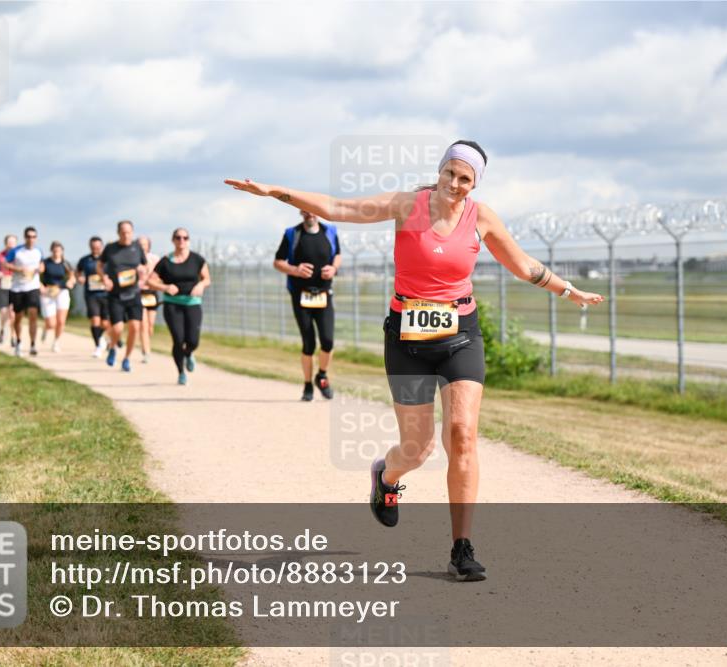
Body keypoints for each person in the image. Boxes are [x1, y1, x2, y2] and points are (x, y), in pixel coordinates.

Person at [225, 139, 604, 582]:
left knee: (462, 434)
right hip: (406, 338)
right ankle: (386, 478)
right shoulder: (408, 205)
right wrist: (275, 192)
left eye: (467, 179)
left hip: (461, 335)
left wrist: (567, 290)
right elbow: (337, 208)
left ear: (474, 183)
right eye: (451, 174)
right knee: (418, 448)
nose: (456, 184)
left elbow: (522, 265)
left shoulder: (481, 217)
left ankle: (462, 548)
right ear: (440, 171)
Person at [273, 210, 342, 401]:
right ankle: (307, 385)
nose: (310, 213)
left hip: (324, 295)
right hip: (300, 296)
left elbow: (338, 255)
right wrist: (295, 270)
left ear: (317, 212)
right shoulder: (292, 234)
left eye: (313, 210)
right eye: (306, 210)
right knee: (309, 343)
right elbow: (277, 262)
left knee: (327, 341)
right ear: (301, 212)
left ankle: (322, 375)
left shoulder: (330, 231)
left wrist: (334, 268)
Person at [146, 228, 211, 385]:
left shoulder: (197, 259)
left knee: (193, 340)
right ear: (173, 240)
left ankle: (188, 354)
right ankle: (181, 372)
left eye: (185, 237)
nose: (181, 240)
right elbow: (150, 281)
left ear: (188, 240)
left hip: (192, 303)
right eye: (178, 237)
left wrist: (201, 285)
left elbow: (207, 278)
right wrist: (166, 287)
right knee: (178, 339)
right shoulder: (165, 261)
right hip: (172, 304)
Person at [98, 220, 147, 373]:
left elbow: (144, 265)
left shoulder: (137, 248)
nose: (126, 235)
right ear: (118, 233)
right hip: (115, 295)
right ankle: (112, 347)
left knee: (135, 327)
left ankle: (126, 359)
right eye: (123, 232)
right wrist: (104, 278)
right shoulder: (111, 248)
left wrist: (142, 273)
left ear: (132, 232)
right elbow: (99, 265)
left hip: (133, 293)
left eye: (129, 232)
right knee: (118, 328)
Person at [5, 227, 43, 357]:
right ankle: (19, 342)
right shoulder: (16, 251)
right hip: (17, 288)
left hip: (33, 287)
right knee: (18, 317)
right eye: (29, 236)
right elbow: (6, 264)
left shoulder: (38, 251)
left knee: (33, 314)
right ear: (25, 237)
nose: (31, 239)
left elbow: (41, 265)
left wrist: (40, 269)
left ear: (36, 238)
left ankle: (33, 344)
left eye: (33, 236)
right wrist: (19, 269)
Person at [76, 236, 110, 358]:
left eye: (98, 247)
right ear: (90, 247)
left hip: (106, 294)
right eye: (93, 247)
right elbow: (78, 272)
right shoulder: (85, 260)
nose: (96, 249)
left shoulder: (107, 260)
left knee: (105, 323)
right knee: (95, 320)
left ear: (101, 247)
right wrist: (79, 278)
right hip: (91, 294)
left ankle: (103, 338)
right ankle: (98, 346)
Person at [39, 242, 76, 353]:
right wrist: (41, 287)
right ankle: (46, 328)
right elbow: (37, 275)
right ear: (51, 251)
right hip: (48, 292)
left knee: (61, 321)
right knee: (51, 323)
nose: (57, 253)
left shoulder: (65, 263)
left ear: (62, 251)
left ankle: (56, 341)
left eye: (59, 251)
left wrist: (71, 282)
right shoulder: (45, 262)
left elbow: (72, 276)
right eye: (55, 251)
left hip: (62, 292)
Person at [0, 234, 17, 344]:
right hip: (3, 286)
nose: (11, 246)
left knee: (12, 313)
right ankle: (2, 330)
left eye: (13, 244)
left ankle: (13, 336)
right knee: (3, 312)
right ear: (5, 244)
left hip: (15, 286)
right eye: (9, 244)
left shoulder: (19, 256)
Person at [138, 235, 161, 364]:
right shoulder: (133, 259)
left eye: (144, 244)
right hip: (139, 293)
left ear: (148, 246)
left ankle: (145, 342)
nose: (142, 246)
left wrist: (153, 281)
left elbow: (161, 275)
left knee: (150, 325)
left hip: (151, 293)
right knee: (143, 324)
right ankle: (146, 351)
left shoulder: (155, 258)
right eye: (140, 244)